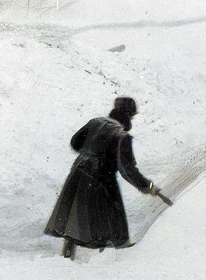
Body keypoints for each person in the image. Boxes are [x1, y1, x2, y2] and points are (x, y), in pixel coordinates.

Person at [44, 97, 167, 259]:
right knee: (113, 212)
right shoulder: (122, 136)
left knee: (76, 208)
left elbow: (75, 142)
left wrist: (90, 150)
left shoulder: (95, 122)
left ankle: (68, 251)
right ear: (129, 115)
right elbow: (128, 170)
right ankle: (123, 251)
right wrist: (147, 186)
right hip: (101, 177)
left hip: (79, 171)